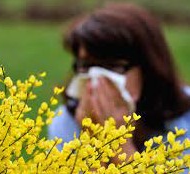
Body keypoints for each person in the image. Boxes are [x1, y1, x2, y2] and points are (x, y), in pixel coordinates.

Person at [48, 2, 190, 157]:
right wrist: (92, 141)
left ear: (147, 68)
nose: (98, 78)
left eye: (113, 66)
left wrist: (117, 141)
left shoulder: (184, 119)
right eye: (86, 65)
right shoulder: (66, 121)